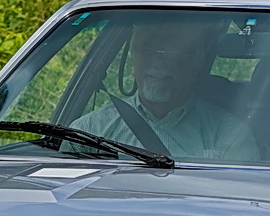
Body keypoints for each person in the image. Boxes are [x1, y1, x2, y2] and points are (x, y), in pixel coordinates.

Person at [71, 18, 258, 161]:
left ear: (195, 65)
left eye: (174, 53)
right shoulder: (89, 131)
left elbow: (239, 204)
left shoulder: (229, 135)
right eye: (148, 50)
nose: (159, 63)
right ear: (132, 58)